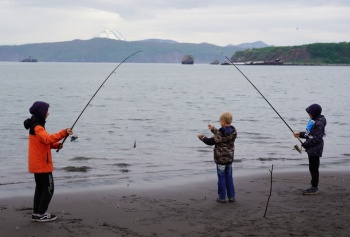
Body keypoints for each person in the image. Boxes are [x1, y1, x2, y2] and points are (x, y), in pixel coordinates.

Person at [24, 101, 73, 222]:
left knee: (40, 188)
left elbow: (43, 143)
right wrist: (64, 132)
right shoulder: (38, 127)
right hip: (42, 165)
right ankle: (41, 213)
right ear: (41, 112)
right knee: (49, 188)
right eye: (46, 111)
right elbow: (47, 139)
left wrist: (56, 145)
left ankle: (37, 213)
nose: (48, 114)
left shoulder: (35, 125)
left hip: (37, 164)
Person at [197, 112, 237, 203]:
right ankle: (231, 196)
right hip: (229, 158)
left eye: (220, 121)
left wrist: (202, 137)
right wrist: (213, 129)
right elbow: (221, 135)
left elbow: (210, 141)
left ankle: (222, 198)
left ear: (223, 122)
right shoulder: (234, 131)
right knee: (229, 177)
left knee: (221, 178)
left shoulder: (221, 133)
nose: (220, 122)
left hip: (221, 159)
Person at [294, 104, 326, 195]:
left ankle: (314, 187)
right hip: (313, 149)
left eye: (310, 113)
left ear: (315, 113)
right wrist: (299, 134)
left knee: (314, 168)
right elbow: (310, 134)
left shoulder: (319, 123)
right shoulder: (315, 121)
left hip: (315, 149)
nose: (309, 115)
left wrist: (305, 144)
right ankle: (314, 186)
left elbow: (317, 138)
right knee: (312, 168)